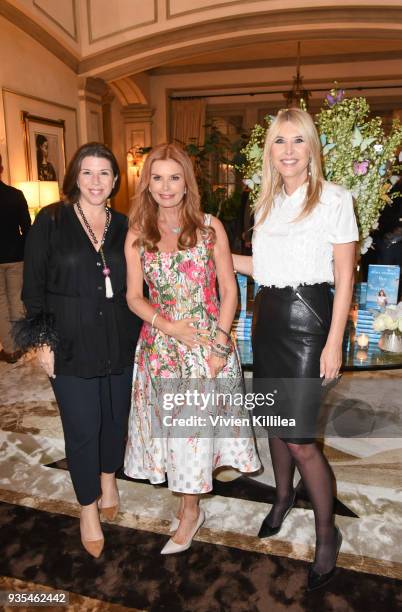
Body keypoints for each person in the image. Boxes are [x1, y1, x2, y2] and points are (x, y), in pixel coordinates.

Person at [233, 109, 358, 591]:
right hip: (270, 321)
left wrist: (334, 344)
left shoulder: (334, 199)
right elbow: (262, 266)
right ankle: (282, 498)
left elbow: (345, 277)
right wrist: (215, 249)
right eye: (280, 141)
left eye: (298, 142)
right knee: (273, 424)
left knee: (301, 437)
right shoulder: (265, 203)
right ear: (271, 150)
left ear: (311, 149)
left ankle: (328, 533)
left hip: (310, 324)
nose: (288, 151)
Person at [124, 143, 260, 554]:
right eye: (157, 177)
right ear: (147, 182)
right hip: (159, 347)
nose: (165, 187)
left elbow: (228, 291)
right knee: (172, 438)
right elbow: (134, 297)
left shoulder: (208, 227)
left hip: (205, 348)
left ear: (187, 183)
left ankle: (189, 513)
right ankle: (189, 505)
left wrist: (220, 344)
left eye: (174, 178)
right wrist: (168, 326)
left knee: (192, 438)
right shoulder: (138, 233)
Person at [15, 142, 142, 558]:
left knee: (114, 419)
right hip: (68, 342)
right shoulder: (50, 220)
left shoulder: (125, 225)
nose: (95, 181)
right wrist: (43, 341)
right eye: (87, 172)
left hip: (120, 340)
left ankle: (109, 477)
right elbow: (32, 289)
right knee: (83, 426)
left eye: (104, 173)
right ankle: (87, 507)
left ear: (116, 181)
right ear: (75, 177)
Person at [0, 154, 31, 363]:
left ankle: (9, 350)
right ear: (1, 168)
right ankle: (20, 345)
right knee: (16, 301)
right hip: (15, 256)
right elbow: (27, 228)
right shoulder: (15, 195)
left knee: (0, 304)